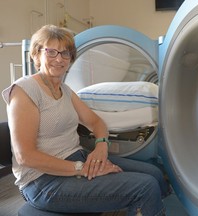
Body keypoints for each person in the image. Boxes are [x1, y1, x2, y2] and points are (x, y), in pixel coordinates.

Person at [2, 24, 169, 216]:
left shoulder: (65, 90)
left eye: (65, 53)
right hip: (42, 181)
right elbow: (26, 156)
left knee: (154, 173)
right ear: (36, 55)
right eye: (51, 52)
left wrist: (101, 146)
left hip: (77, 158)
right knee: (145, 187)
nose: (59, 58)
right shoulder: (24, 91)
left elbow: (96, 123)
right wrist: (81, 169)